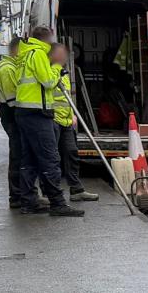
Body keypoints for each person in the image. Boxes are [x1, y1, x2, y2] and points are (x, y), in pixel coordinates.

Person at [15, 27, 84, 217]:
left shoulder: (25, 53)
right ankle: (57, 203)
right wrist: (56, 68)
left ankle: (28, 202)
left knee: (29, 160)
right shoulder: (38, 54)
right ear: (46, 39)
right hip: (38, 113)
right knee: (50, 159)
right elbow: (47, 81)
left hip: (25, 112)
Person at [49, 43, 98, 202]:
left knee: (71, 153)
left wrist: (72, 115)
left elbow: (66, 98)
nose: (64, 58)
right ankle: (52, 193)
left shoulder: (64, 73)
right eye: (60, 55)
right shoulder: (49, 71)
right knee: (53, 158)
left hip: (66, 120)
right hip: (53, 119)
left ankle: (76, 190)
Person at [0, 38, 23, 208]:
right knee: (17, 156)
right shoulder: (7, 69)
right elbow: (11, 98)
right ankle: (16, 196)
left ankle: (18, 194)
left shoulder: (10, 66)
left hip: (11, 115)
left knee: (18, 155)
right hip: (12, 115)